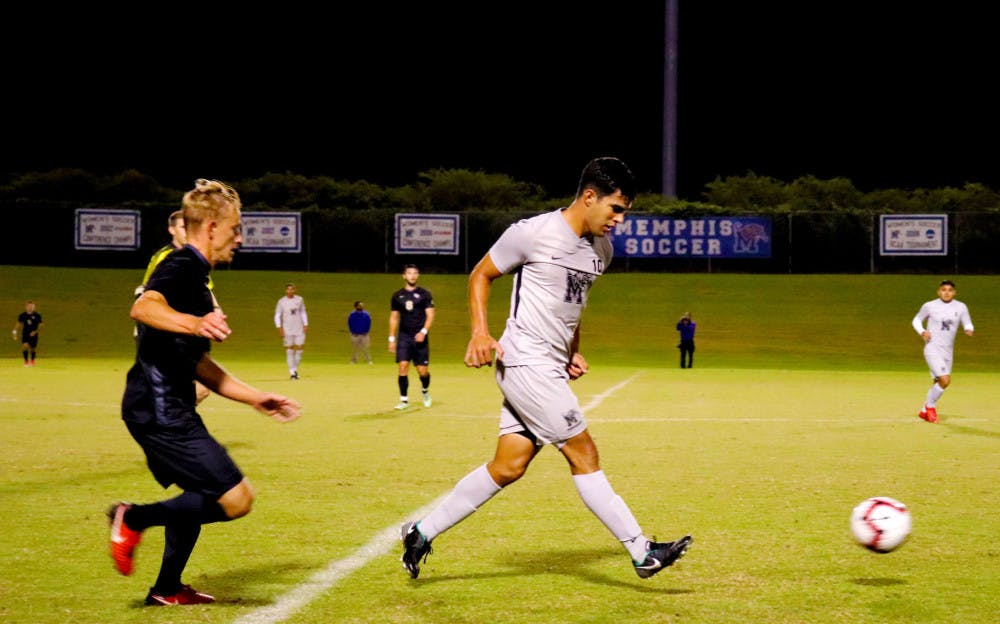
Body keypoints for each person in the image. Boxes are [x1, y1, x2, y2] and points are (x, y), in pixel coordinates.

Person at [400, 157, 692, 580]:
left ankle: (420, 532)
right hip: (525, 361)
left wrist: (572, 350)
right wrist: (481, 333)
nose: (619, 220)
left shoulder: (601, 251)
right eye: (616, 208)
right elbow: (480, 275)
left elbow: (573, 308)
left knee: (508, 466)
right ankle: (641, 550)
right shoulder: (532, 234)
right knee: (583, 451)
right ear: (589, 196)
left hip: (549, 366)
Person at [109, 179, 301, 607]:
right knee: (235, 498)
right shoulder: (183, 266)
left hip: (165, 405)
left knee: (197, 496)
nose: (240, 239)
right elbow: (144, 307)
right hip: (159, 410)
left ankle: (166, 588)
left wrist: (256, 398)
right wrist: (196, 323)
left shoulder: (197, 277)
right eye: (236, 229)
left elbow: (197, 364)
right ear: (212, 227)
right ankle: (133, 517)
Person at [136, 209, 212, 404]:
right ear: (171, 230)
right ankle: (167, 420)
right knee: (197, 388)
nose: (188, 232)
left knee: (201, 388)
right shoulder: (167, 257)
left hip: (190, 331)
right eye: (182, 227)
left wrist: (215, 313)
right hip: (170, 332)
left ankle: (169, 419)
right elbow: (147, 295)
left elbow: (207, 291)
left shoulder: (194, 258)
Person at [911, 279, 974, 423]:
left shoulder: (961, 306)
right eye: (944, 290)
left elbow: (967, 321)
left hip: (948, 351)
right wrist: (922, 331)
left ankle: (923, 411)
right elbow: (916, 320)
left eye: (950, 290)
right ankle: (931, 407)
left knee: (937, 381)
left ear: (954, 293)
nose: (947, 292)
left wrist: (969, 328)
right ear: (939, 292)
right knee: (945, 380)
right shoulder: (930, 305)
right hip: (932, 348)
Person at [388, 264, 435, 409]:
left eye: (415, 273)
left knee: (422, 371)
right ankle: (404, 400)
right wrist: (391, 339)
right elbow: (394, 317)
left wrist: (423, 332)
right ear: (404, 276)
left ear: (418, 275)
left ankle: (425, 391)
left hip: (420, 338)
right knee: (402, 367)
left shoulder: (425, 294)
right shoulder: (397, 296)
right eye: (409, 273)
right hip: (404, 337)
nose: (412, 276)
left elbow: (430, 315)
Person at [275, 283, 309, 379]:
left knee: (300, 348)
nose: (290, 291)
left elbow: (303, 312)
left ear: (295, 290)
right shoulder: (281, 301)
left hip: (299, 327)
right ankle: (292, 372)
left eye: (292, 289)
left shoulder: (299, 299)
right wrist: (279, 328)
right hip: (287, 329)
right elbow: (277, 315)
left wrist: (306, 324)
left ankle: (294, 369)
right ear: (286, 291)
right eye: (288, 289)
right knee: (289, 349)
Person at [13, 300, 43, 367]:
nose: (30, 307)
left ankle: (32, 360)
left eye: (32, 306)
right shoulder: (22, 315)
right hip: (25, 334)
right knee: (25, 346)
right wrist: (14, 333)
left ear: (34, 307)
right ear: (26, 307)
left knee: (33, 349)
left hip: (34, 335)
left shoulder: (37, 315)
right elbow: (17, 325)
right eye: (29, 306)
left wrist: (35, 331)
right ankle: (26, 361)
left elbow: (41, 325)